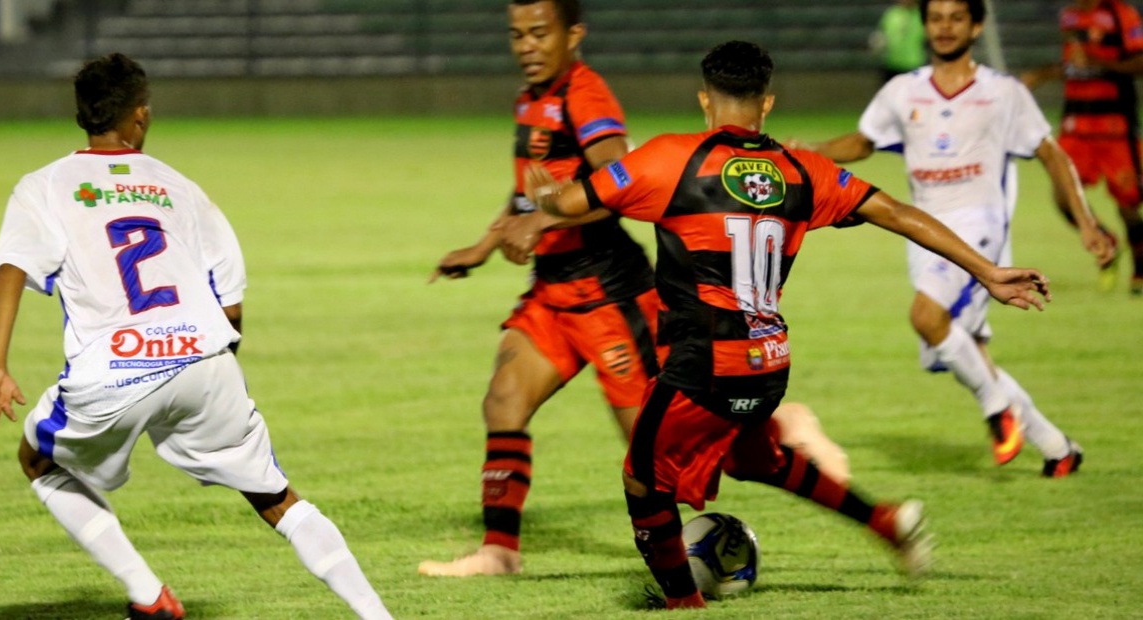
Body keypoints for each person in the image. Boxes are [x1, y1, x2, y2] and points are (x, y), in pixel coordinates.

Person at [527, 38, 1054, 610]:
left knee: (642, 479)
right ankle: (883, 521)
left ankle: (683, 604)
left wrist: (546, 197)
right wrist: (987, 271)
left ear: (705, 100)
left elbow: (571, 203)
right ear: (767, 103)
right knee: (757, 460)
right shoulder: (803, 169)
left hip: (703, 365)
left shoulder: (669, 159)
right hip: (766, 361)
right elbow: (898, 213)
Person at [419, 0, 854, 578]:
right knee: (503, 401)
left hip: (610, 294)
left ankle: (783, 429)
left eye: (539, 33)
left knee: (665, 457)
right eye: (517, 35)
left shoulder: (586, 96)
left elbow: (613, 184)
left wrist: (542, 221)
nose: (526, 46)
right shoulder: (532, 99)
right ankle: (499, 551)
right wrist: (484, 244)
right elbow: (529, 189)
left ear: (574, 34)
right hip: (553, 290)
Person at [0, 53, 392, 620]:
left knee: (37, 459)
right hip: (203, 357)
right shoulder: (179, 187)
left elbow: (11, 269)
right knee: (275, 497)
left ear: (82, 115)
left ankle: (149, 595)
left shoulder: (44, 186)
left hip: (116, 369)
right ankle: (377, 615)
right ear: (140, 116)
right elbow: (231, 301)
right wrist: (218, 369)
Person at [799, 0, 1110, 476]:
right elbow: (862, 143)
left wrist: (1086, 221)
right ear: (925, 25)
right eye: (936, 18)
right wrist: (807, 152)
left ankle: (997, 411)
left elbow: (1051, 153)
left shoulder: (1003, 92)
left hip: (981, 228)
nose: (945, 27)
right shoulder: (903, 90)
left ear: (976, 26)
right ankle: (1057, 448)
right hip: (925, 232)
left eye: (956, 18)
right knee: (969, 353)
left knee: (926, 317)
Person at [1021, 0, 1143, 295]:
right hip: (1076, 126)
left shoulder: (1122, 14)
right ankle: (1105, 240)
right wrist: (1042, 75)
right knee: (1063, 196)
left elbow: (1139, 63)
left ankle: (1140, 270)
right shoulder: (1070, 16)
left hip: (1115, 127)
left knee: (1128, 206)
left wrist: (1099, 62)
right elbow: (1073, 65)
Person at [871, 0, 928, 84]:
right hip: (891, 63)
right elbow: (882, 34)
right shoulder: (891, 14)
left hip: (913, 64)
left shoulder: (921, 15)